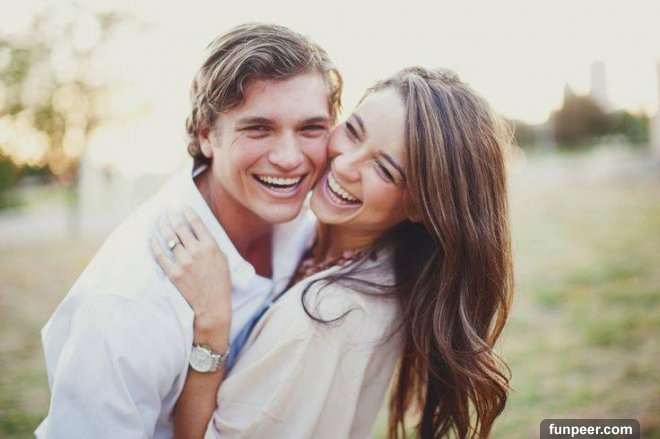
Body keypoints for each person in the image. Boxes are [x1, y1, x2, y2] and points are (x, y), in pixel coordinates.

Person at [153, 67, 514, 438]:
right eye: (353, 132)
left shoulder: (326, 315)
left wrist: (211, 329)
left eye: (384, 169)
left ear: (421, 206)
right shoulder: (347, 256)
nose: (343, 165)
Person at [35, 23, 342, 438]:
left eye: (311, 129)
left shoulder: (304, 231)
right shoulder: (128, 301)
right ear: (206, 135)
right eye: (258, 128)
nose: (290, 158)